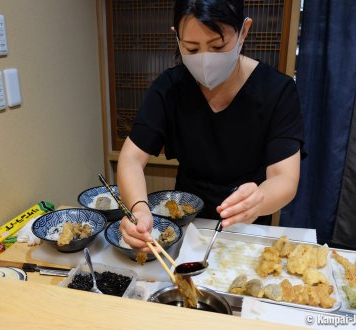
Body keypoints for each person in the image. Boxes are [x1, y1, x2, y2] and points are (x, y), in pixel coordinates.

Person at [117, 0, 305, 251]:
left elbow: (285, 178)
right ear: (177, 37)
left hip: (247, 227)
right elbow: (131, 158)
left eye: (218, 46)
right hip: (186, 226)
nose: (205, 61)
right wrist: (139, 210)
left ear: (244, 31)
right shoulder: (170, 88)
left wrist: (259, 201)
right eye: (192, 49)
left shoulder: (277, 91)